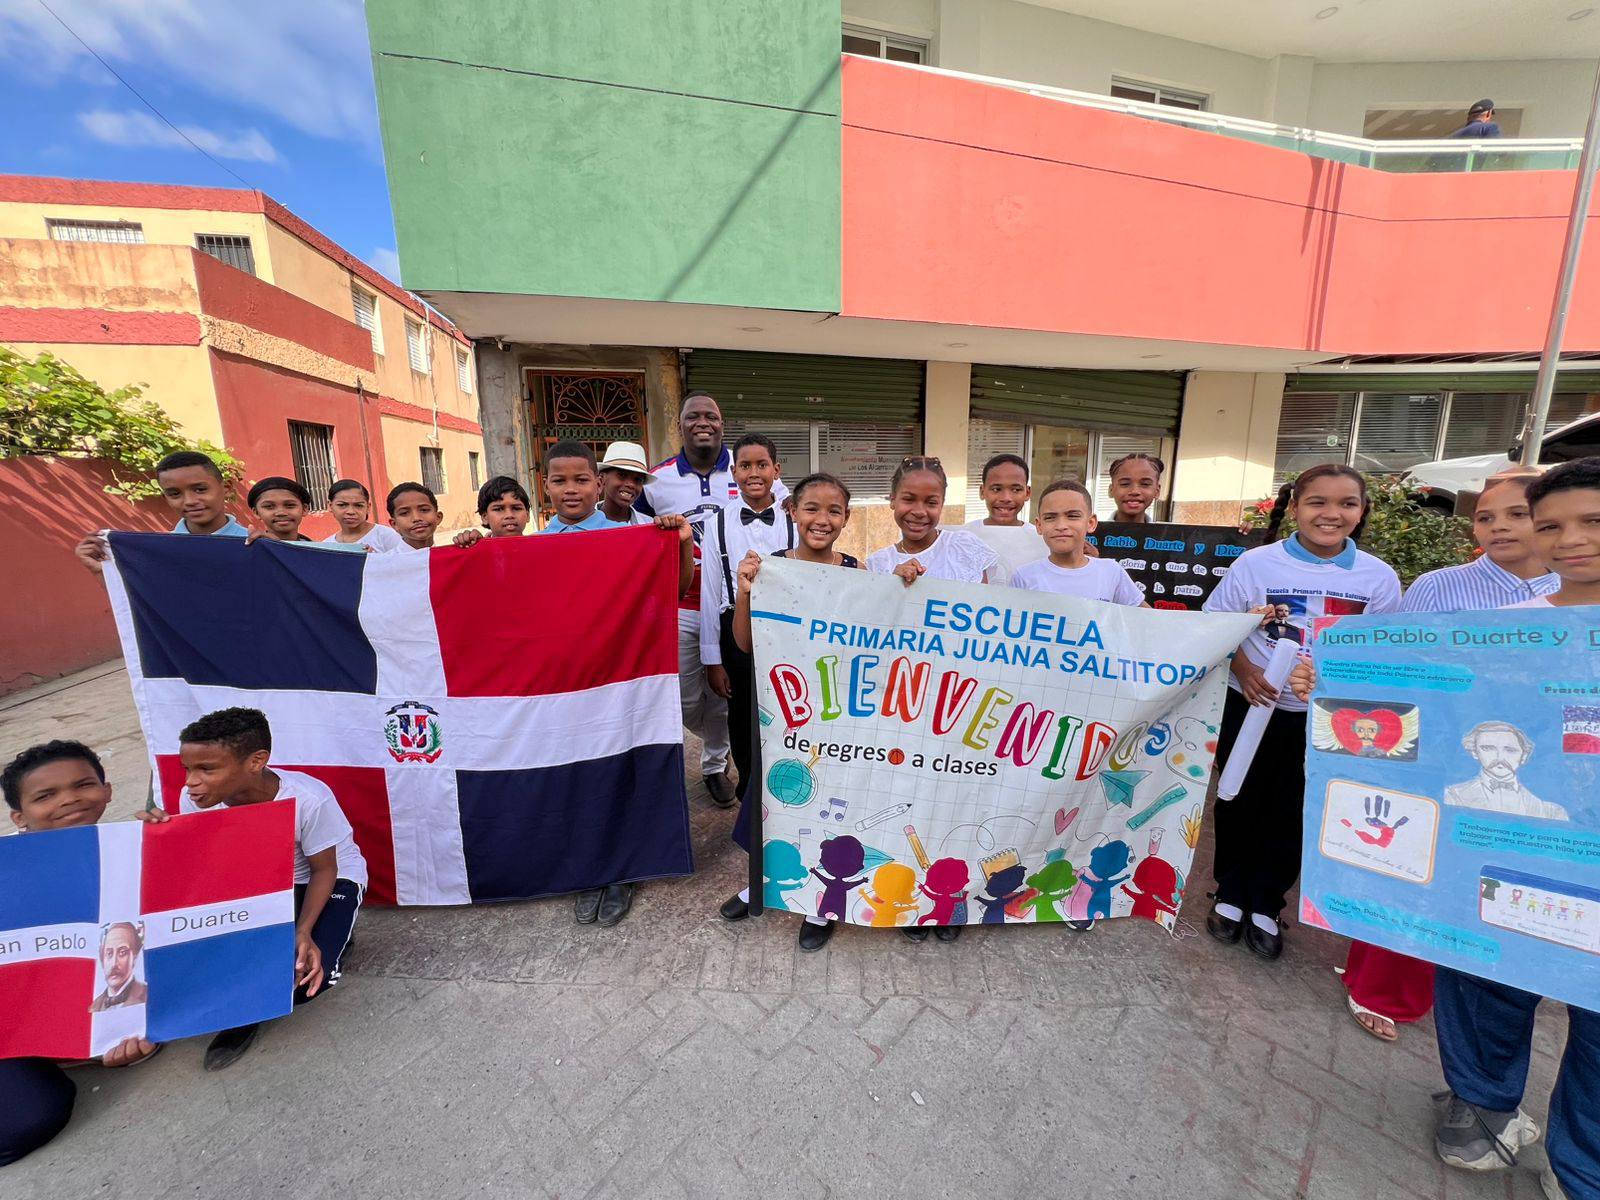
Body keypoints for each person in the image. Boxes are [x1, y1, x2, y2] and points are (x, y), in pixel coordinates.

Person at [1429, 457, 1600, 1200]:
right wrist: (1331, 682)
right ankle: (1484, 1107)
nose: (1572, 541)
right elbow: (1436, 710)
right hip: (1507, 842)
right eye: (1552, 523)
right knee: (1486, 973)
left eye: (1593, 521)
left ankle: (1583, 1168)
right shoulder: (1498, 628)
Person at [1340, 471, 1558, 1043]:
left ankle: (1466, 990)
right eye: (1486, 517)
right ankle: (1378, 985)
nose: (1499, 527)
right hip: (1441, 749)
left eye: (1516, 514)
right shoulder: (1440, 586)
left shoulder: (1577, 591)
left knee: (1495, 883)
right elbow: (1396, 664)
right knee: (1417, 870)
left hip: (1539, 764)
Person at [1201, 464, 1401, 962]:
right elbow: (1216, 627)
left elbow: (1381, 655)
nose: (1331, 514)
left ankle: (1267, 903)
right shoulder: (1256, 565)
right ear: (1294, 508)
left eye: (1346, 504)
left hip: (1324, 719)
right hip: (1249, 704)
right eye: (1317, 502)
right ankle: (1230, 894)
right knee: (1237, 797)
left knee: (1294, 808)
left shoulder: (1376, 578)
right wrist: (1245, 669)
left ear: (1361, 512)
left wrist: (1332, 686)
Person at [137, 707, 366, 1071]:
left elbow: (325, 869)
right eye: (188, 769)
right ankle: (242, 1017)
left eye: (206, 769)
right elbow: (204, 868)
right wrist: (164, 836)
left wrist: (304, 930)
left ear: (256, 761)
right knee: (206, 957)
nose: (192, 782)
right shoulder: (193, 800)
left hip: (318, 880)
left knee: (306, 978)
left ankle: (335, 933)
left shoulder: (307, 799)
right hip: (251, 880)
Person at [1, 741, 158, 1166]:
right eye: (45, 796)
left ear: (107, 791)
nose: (69, 799)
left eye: (83, 784)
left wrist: (173, 842)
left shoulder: (131, 848)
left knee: (40, 1111)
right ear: (20, 816)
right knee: (30, 1118)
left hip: (52, 1014)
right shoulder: (8, 871)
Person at [721, 471, 858, 952]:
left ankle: (821, 903)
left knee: (828, 802)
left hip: (838, 710)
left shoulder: (857, 574)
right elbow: (744, 642)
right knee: (769, 797)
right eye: (812, 509)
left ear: (846, 518)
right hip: (779, 710)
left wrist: (902, 583)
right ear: (791, 513)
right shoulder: (771, 568)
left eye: (834, 510)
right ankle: (760, 881)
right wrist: (744, 592)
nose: (822, 519)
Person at [636, 392, 786, 807]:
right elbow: (634, 526)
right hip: (683, 601)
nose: (703, 422)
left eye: (712, 416)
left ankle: (717, 765)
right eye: (693, 416)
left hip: (754, 611)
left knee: (733, 699)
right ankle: (722, 746)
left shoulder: (751, 467)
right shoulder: (656, 479)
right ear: (680, 424)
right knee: (687, 697)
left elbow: (795, 508)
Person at [700, 434, 796, 820]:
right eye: (745, 466)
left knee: (787, 710)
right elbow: (709, 593)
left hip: (787, 629)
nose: (753, 473)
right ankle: (749, 796)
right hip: (734, 629)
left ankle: (787, 794)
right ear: (733, 472)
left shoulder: (794, 518)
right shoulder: (717, 524)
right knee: (741, 716)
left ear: (776, 470)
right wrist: (713, 660)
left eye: (762, 465)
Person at [74, 450, 245, 573]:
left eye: (200, 489)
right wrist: (101, 572)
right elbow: (141, 606)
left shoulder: (254, 544)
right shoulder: (159, 552)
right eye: (175, 494)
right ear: (166, 498)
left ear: (227, 488)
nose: (190, 501)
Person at [868, 456, 1000, 587]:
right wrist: (892, 584)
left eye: (931, 503)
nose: (919, 512)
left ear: (941, 504)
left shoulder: (964, 548)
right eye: (909, 499)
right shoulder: (878, 565)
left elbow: (983, 604)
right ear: (892, 500)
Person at [1012, 479, 1146, 605]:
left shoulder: (1111, 571)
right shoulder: (1024, 576)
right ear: (1039, 525)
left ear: (1091, 523)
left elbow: (1149, 618)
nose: (1061, 525)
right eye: (1050, 518)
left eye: (1072, 516)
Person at [963, 453, 1046, 585]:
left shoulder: (1043, 539)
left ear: (1027, 492)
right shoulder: (963, 536)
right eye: (996, 489)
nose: (1006, 498)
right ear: (982, 491)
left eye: (1016, 489)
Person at [323, 480, 405, 552]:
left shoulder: (387, 537)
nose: (351, 512)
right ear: (330, 506)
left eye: (358, 505)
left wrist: (377, 560)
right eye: (342, 505)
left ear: (368, 507)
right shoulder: (327, 546)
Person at [454, 476, 533, 544]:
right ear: (485, 517)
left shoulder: (538, 548)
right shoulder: (479, 548)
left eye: (516, 508)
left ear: (528, 515)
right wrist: (476, 545)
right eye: (498, 509)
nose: (509, 515)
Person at [89, 923, 148, 1011]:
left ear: (134, 957)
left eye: (122, 952)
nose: (114, 964)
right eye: (109, 953)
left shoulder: (147, 994)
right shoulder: (94, 1007)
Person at [597, 441, 657, 526]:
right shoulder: (578, 524)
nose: (631, 485)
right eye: (622, 475)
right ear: (602, 479)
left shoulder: (650, 525)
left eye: (638, 479)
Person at [245, 477, 316, 543]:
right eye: (269, 506)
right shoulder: (248, 551)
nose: (281, 513)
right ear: (256, 512)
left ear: (304, 509)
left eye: (290, 505)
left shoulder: (319, 552)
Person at [1106, 452, 1165, 523]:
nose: (1134, 491)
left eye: (1145, 484)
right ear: (1111, 490)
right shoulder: (1094, 532)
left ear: (1157, 491)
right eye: (1125, 484)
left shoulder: (1164, 533)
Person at [386, 481, 443, 550]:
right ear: (394, 524)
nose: (416, 518)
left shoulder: (450, 556)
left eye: (424, 510)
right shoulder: (389, 560)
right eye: (404, 513)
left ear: (438, 517)